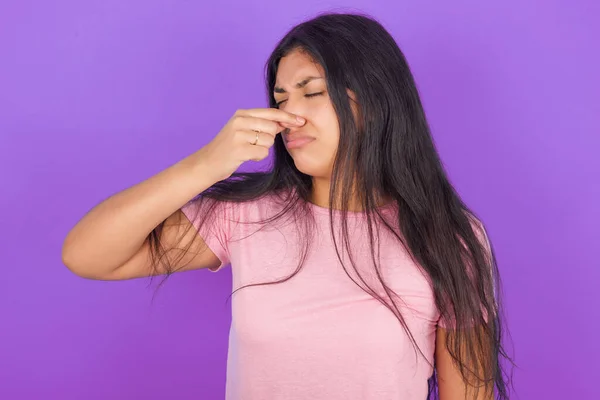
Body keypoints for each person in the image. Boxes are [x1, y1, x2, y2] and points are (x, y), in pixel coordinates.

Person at [62, 11, 513, 400]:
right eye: (281, 99)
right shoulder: (244, 215)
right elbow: (85, 254)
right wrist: (205, 165)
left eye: (311, 92)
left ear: (375, 102)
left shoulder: (451, 237)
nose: (288, 116)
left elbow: (470, 391)